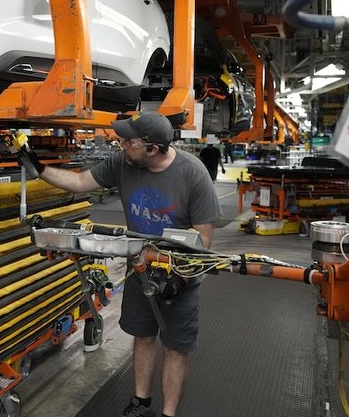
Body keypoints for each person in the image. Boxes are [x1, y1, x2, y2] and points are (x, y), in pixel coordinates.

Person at [17, 111, 221, 417]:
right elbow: (79, 181)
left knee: (176, 347)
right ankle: (141, 403)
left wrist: (177, 277)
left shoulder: (193, 174)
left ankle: (168, 413)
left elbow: (203, 241)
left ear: (152, 149)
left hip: (179, 275)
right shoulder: (123, 162)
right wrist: (39, 168)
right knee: (143, 335)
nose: (121, 143)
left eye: (129, 140)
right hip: (139, 269)